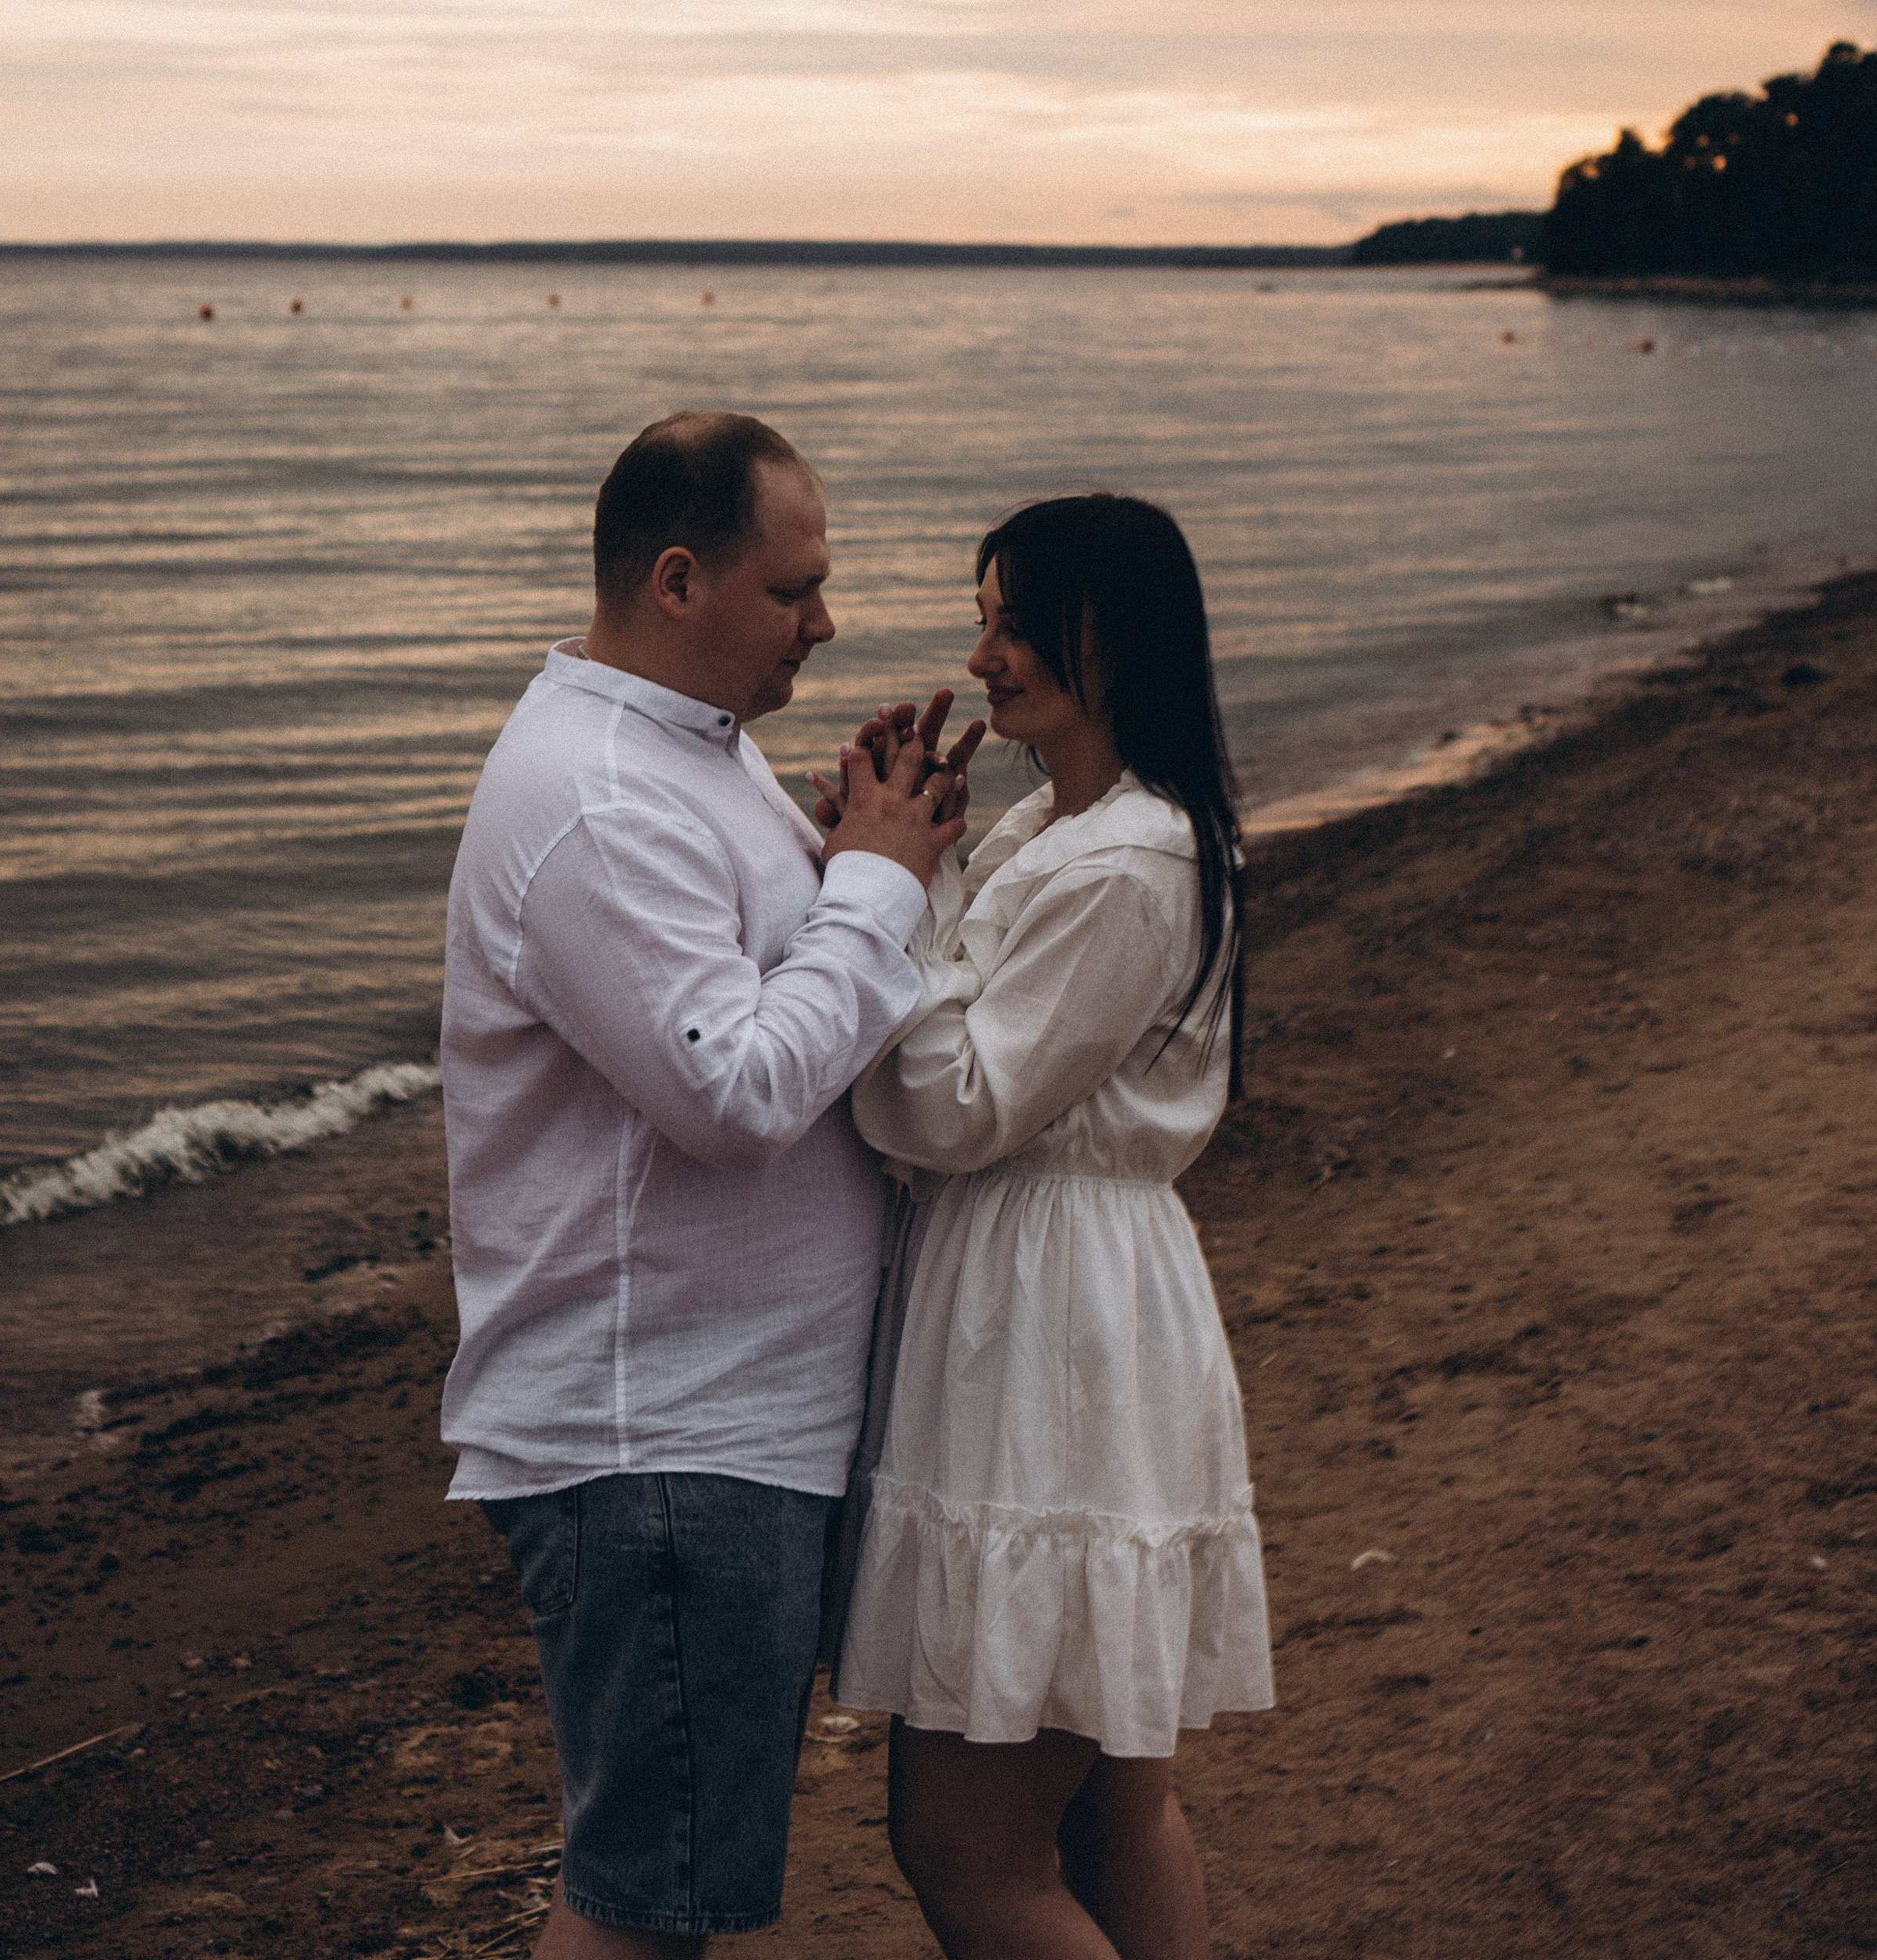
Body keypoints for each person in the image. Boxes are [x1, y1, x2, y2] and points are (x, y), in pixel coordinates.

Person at [439, 411, 977, 1960]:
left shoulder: (695, 753)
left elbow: (761, 995)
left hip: (725, 1423)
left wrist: (861, 853)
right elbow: (733, 1091)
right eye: (793, 591)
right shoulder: (598, 796)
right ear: (678, 582)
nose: (827, 621)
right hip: (659, 1437)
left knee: (671, 1886)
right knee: (644, 1903)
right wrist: (874, 883)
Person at [822, 494, 1273, 1960]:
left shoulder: (1125, 864)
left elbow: (957, 1104)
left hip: (1049, 1317)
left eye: (1018, 621)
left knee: (964, 1845)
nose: (985, 651)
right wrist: (921, 850)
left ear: (1113, 636)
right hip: (1077, 1292)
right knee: (1106, 1812)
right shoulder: (1064, 828)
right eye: (987, 615)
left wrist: (880, 890)